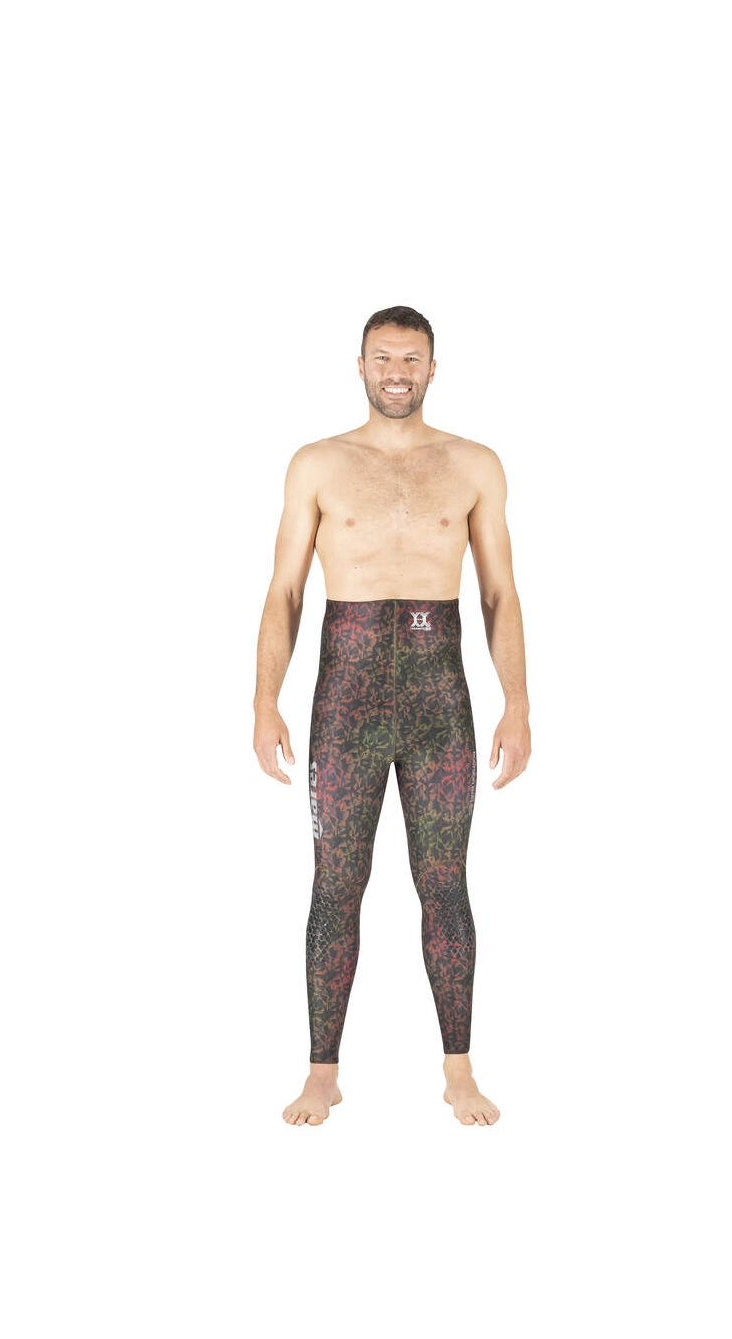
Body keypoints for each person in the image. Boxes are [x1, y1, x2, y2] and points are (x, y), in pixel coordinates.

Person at [253, 305, 530, 1127]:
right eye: (383, 358)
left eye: (411, 359)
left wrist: (518, 703)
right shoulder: (318, 463)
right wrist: (264, 699)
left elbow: (499, 593)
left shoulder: (473, 463)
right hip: (346, 697)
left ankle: (459, 1071)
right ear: (361, 365)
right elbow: (285, 590)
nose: (397, 372)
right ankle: (321, 1073)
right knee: (336, 884)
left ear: (433, 368)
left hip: (440, 699)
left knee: (444, 884)